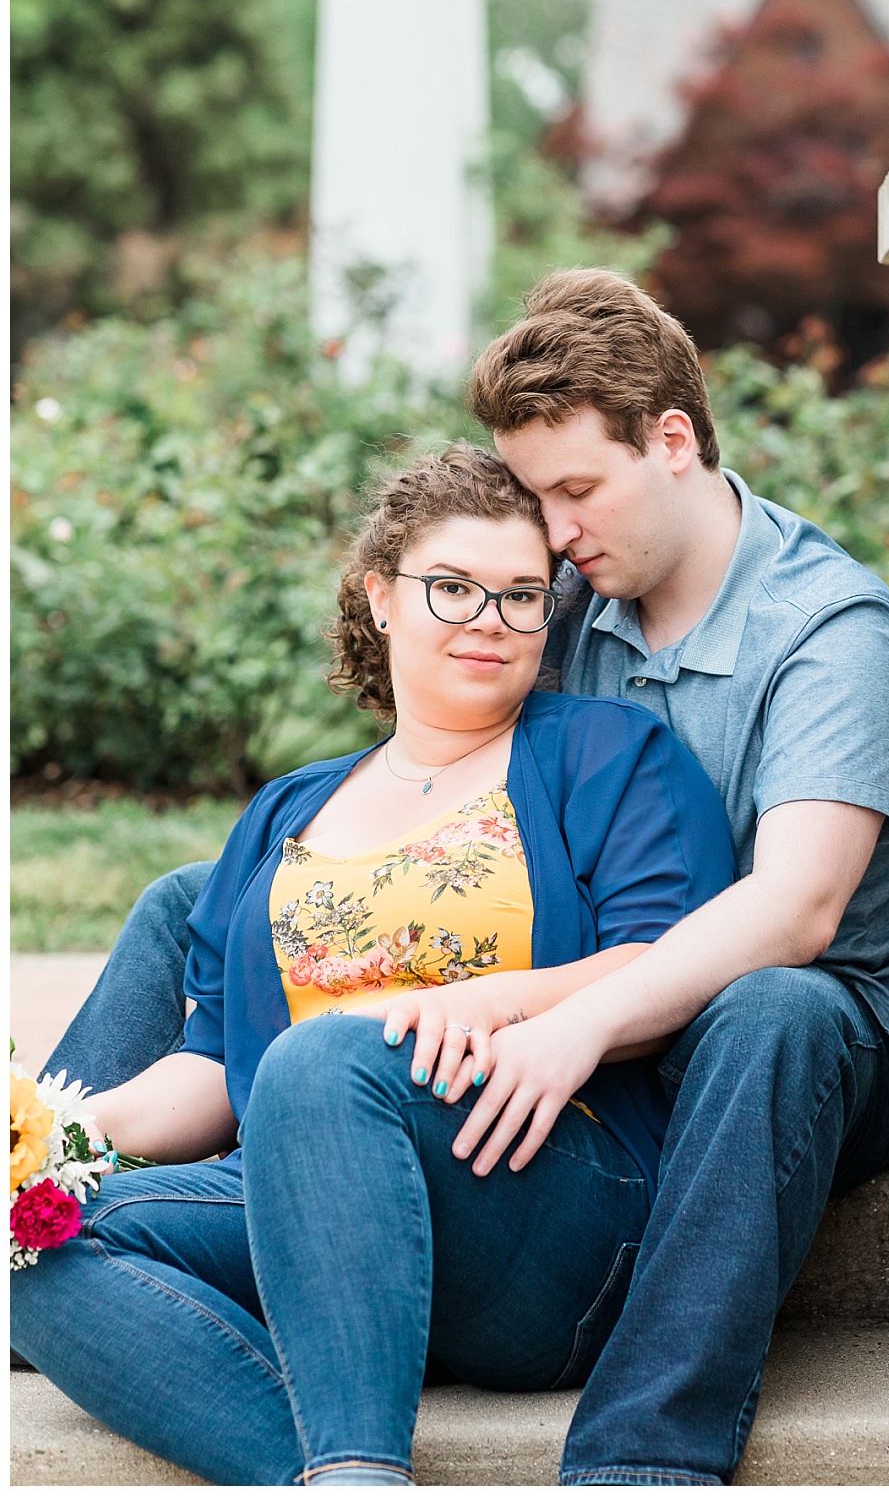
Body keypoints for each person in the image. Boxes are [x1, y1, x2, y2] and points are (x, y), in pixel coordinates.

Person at [34, 269, 889, 1484]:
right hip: (547, 1027)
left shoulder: (826, 634)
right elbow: (439, 730)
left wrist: (555, 1015)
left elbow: (796, 908)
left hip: (790, 1033)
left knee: (768, 1008)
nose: (545, 547)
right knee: (199, 910)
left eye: (574, 493)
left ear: (673, 442)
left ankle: (644, 1451)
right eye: (534, 505)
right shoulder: (574, 589)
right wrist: (60, 1135)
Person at [12, 445, 735, 1485]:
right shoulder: (287, 810)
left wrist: (496, 1002)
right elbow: (213, 1066)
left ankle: (356, 1460)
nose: (490, 618)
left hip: (538, 1202)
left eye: (522, 594)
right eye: (454, 587)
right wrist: (46, 1135)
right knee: (34, 1234)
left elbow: (672, 961)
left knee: (322, 1058)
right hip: (309, 1203)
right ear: (381, 595)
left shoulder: (610, 753)